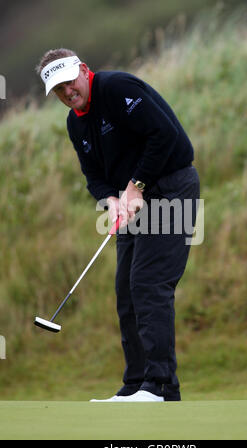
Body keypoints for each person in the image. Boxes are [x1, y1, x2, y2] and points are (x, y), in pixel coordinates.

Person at [36, 48, 200, 402]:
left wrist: (136, 184)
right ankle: (136, 384)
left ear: (83, 70)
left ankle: (161, 387)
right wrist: (109, 199)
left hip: (172, 188)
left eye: (68, 82)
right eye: (58, 90)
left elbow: (164, 135)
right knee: (126, 290)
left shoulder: (116, 88)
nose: (67, 92)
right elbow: (92, 174)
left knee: (149, 282)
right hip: (131, 201)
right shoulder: (74, 122)